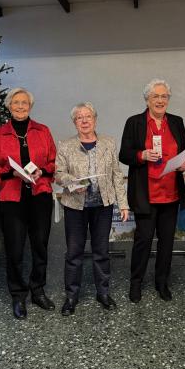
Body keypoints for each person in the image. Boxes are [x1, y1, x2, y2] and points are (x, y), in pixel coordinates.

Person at [0, 88, 57, 320]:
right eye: (16, 102)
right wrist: (11, 174)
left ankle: (38, 290)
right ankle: (18, 295)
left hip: (40, 195)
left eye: (24, 103)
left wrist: (42, 171)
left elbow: (54, 162)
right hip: (12, 199)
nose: (20, 106)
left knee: (40, 246)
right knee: (14, 250)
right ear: (9, 106)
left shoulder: (43, 131)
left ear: (30, 106)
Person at [119, 78, 185, 303]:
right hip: (146, 194)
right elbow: (124, 154)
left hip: (171, 193)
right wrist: (141, 155)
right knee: (143, 241)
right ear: (147, 100)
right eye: (155, 96)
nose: (160, 100)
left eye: (164, 96)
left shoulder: (177, 122)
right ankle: (136, 283)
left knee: (167, 241)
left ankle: (162, 282)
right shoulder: (134, 122)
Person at [55, 102, 130, 316]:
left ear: (95, 119)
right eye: (79, 117)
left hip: (102, 206)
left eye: (88, 116)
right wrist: (72, 182)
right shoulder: (65, 145)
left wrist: (123, 204)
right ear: (74, 122)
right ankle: (71, 296)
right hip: (75, 206)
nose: (84, 120)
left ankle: (103, 292)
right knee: (74, 252)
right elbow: (58, 173)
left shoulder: (108, 142)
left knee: (101, 251)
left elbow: (116, 174)